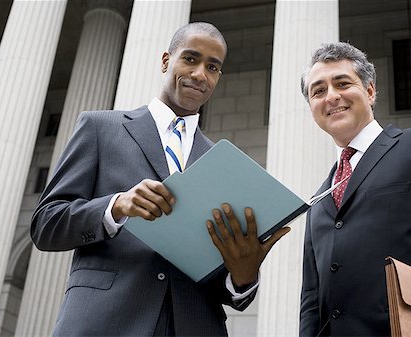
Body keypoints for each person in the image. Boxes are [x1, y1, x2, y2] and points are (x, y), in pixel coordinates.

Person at [31, 22, 288, 337]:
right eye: (190, 59)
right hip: (105, 322)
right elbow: (46, 224)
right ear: (167, 60)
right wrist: (116, 206)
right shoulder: (100, 128)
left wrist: (243, 277)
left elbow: (227, 284)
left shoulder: (223, 165)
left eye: (212, 67)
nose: (199, 74)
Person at [298, 41, 411, 336]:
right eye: (318, 91)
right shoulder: (319, 200)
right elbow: (311, 301)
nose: (331, 96)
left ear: (369, 92)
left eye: (342, 83)